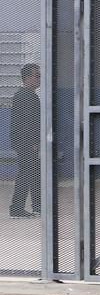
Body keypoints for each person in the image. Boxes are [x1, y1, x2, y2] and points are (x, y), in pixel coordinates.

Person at [9, 63, 40, 218]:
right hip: (26, 143)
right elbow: (27, 123)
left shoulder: (25, 95)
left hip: (23, 142)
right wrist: (33, 143)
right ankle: (17, 208)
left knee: (33, 173)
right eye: (36, 76)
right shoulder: (27, 97)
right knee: (26, 174)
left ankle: (37, 206)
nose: (39, 79)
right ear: (27, 78)